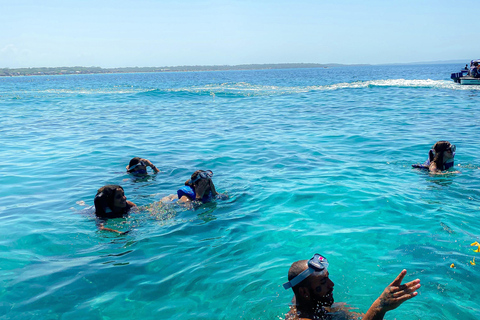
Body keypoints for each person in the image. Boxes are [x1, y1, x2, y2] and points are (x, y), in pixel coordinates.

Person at [284, 254, 421, 320]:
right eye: (323, 282)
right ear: (304, 292)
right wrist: (380, 306)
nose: (332, 285)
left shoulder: (309, 302)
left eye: (328, 278)